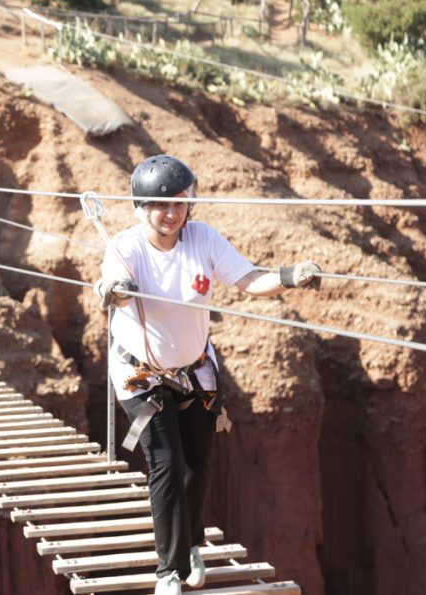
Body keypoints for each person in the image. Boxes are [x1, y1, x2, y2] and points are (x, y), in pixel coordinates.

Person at [94, 155, 322, 595]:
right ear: (141, 207)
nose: (172, 213)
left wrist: (292, 276)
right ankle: (168, 571)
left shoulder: (203, 239)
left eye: (179, 204)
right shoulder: (126, 245)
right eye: (161, 205)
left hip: (196, 372)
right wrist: (113, 290)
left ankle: (192, 544)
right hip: (141, 376)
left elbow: (250, 278)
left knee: (198, 465)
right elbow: (115, 283)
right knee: (166, 464)